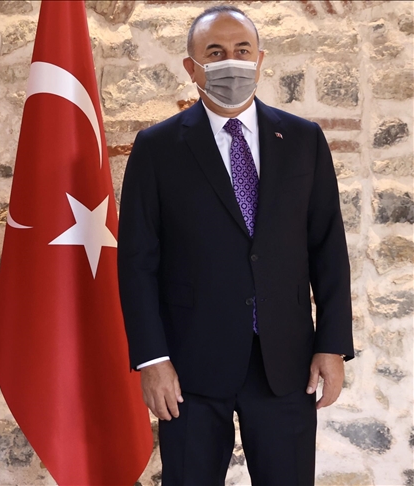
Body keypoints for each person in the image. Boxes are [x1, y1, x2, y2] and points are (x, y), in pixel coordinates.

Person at [118, 6, 353, 485]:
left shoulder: (304, 140)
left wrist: (332, 345)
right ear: (192, 67)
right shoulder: (157, 148)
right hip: (189, 366)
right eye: (215, 52)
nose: (232, 61)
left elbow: (328, 249)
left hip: (285, 361)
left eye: (242, 50)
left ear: (260, 59)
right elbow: (137, 262)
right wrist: (152, 359)